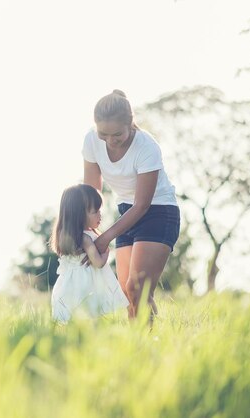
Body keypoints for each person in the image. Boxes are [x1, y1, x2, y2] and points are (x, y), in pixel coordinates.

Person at [83, 89, 180, 319]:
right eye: (103, 134)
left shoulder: (147, 147)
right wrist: (87, 230)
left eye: (117, 134)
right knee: (126, 294)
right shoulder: (90, 141)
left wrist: (105, 237)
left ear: (130, 122)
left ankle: (149, 343)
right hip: (126, 211)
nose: (110, 141)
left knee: (139, 289)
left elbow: (142, 205)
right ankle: (139, 348)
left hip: (158, 213)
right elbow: (92, 192)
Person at [50, 184, 129, 323]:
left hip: (71, 286)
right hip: (86, 285)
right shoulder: (85, 238)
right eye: (95, 211)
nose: (100, 214)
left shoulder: (70, 237)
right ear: (79, 214)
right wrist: (106, 252)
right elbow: (98, 263)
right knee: (91, 316)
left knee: (77, 319)